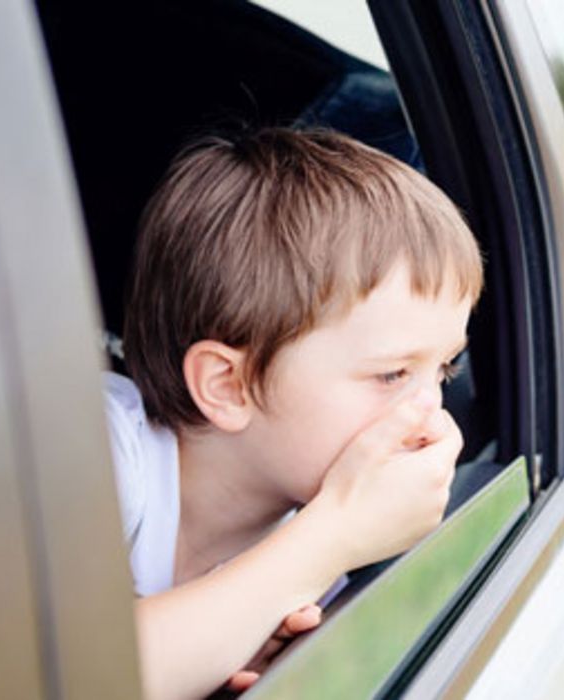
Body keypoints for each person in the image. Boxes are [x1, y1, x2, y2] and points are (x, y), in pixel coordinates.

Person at [106, 126, 482, 699]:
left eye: (445, 370)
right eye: (391, 374)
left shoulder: (306, 550)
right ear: (230, 386)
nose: (434, 415)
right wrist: (334, 535)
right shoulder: (99, 456)